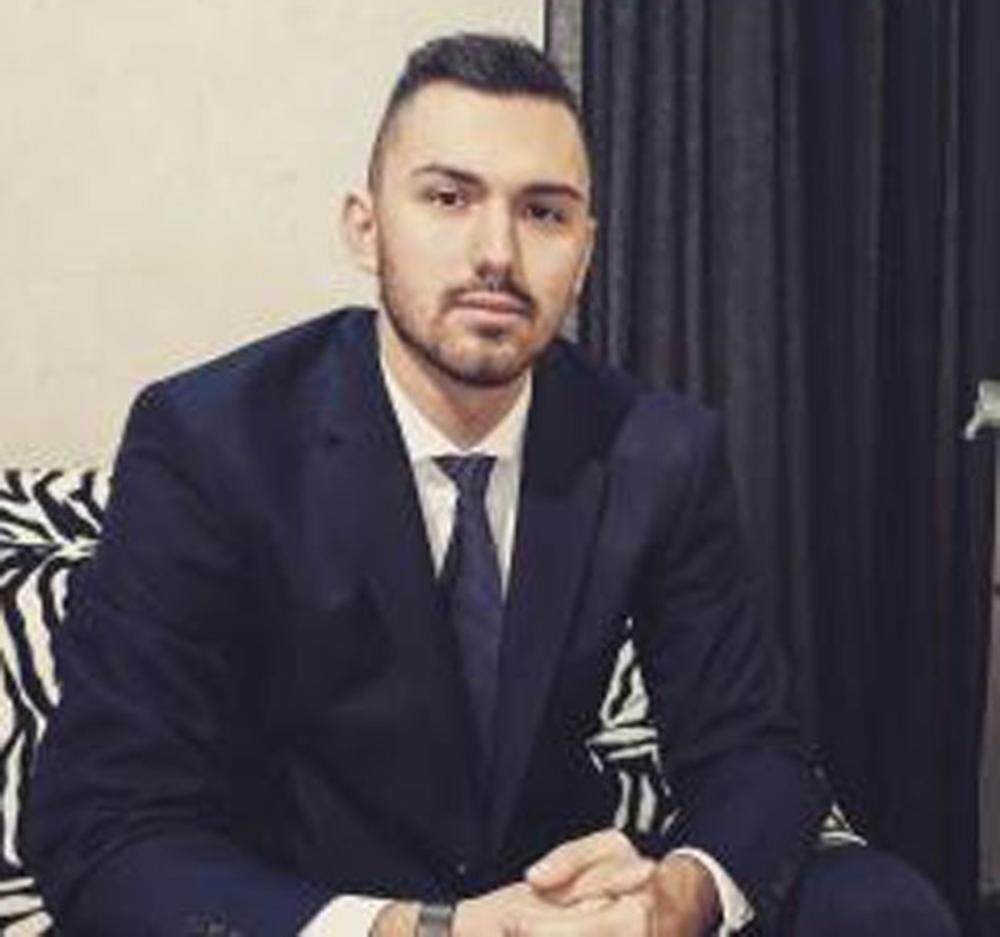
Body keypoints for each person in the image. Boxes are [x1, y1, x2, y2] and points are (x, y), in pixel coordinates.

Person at [24, 33, 958, 937]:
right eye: (448, 197)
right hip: (314, 907)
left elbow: (753, 751)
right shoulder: (210, 439)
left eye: (544, 212)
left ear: (585, 252)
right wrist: (419, 930)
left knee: (880, 906)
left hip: (548, 903)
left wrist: (681, 895)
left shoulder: (657, 448)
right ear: (366, 226)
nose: (498, 254)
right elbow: (102, 818)